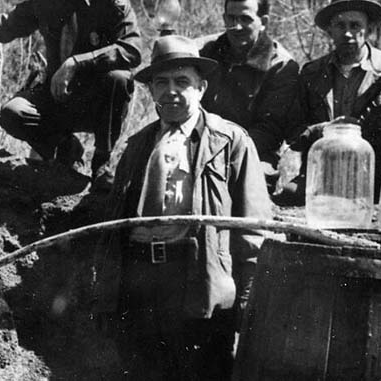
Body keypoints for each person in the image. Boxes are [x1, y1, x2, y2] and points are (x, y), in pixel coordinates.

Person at [91, 35, 272, 380]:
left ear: (201, 88)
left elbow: (252, 229)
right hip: (141, 280)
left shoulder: (230, 142)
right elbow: (114, 229)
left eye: (182, 82)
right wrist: (106, 295)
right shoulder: (138, 145)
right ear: (152, 91)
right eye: (161, 83)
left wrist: (248, 302)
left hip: (197, 279)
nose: (171, 91)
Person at [0, 0, 141, 181]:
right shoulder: (44, 3)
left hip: (95, 104)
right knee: (12, 114)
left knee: (119, 79)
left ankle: (101, 164)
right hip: (55, 97)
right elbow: (5, 28)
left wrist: (77, 63)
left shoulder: (112, 4)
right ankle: (66, 146)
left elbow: (132, 50)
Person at [288, 0, 381, 200]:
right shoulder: (312, 73)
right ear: (329, 31)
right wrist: (327, 130)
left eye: (355, 25)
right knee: (288, 196)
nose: (348, 33)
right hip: (325, 170)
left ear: (369, 30)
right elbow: (294, 132)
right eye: (340, 25)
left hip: (373, 172)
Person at [197, 0, 299, 194]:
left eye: (245, 19)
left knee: (246, 186)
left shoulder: (281, 66)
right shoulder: (205, 52)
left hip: (253, 153)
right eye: (231, 18)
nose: (236, 26)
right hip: (200, 145)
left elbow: (270, 129)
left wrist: (221, 153)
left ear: (264, 21)